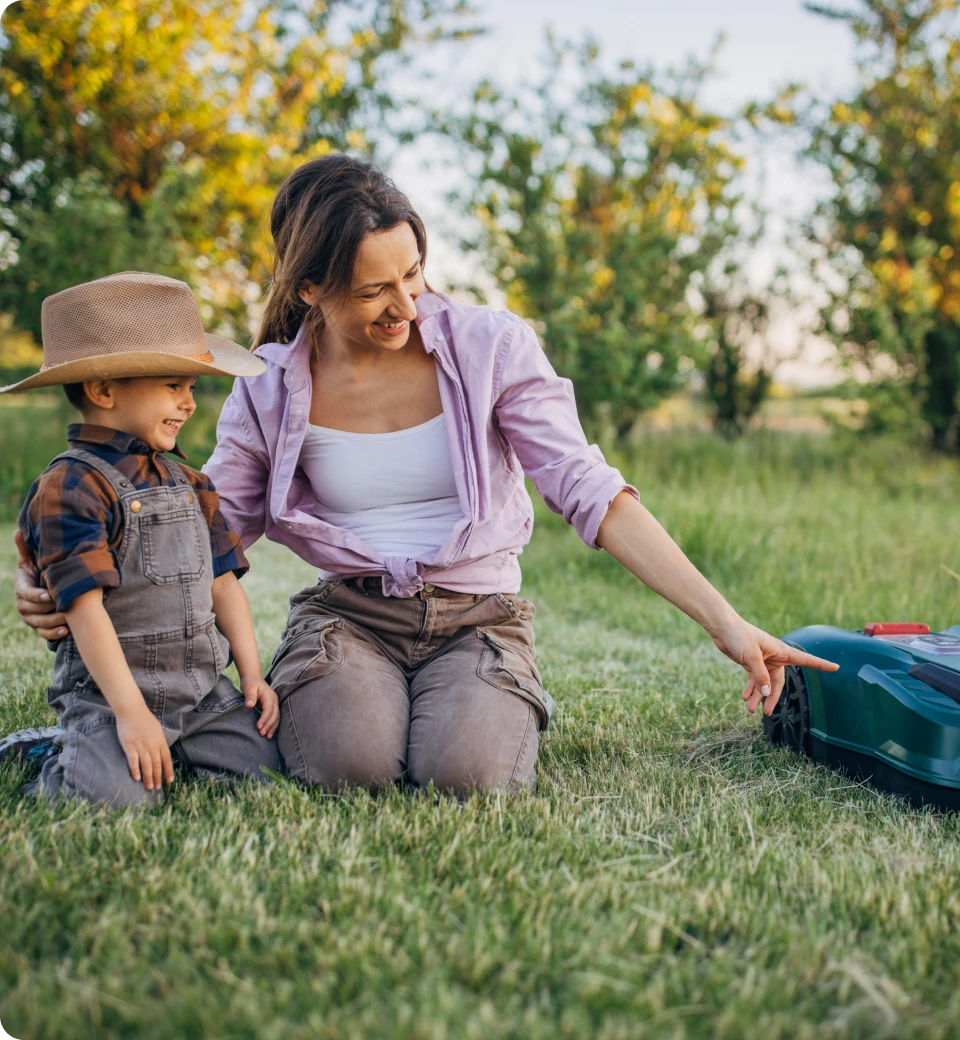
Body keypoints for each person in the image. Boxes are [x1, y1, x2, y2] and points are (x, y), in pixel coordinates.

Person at [14, 154, 837, 797]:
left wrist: (724, 623)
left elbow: (590, 490)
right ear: (309, 289)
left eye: (413, 274)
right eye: (375, 290)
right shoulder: (269, 380)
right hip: (349, 617)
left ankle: (478, 697)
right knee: (346, 766)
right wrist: (56, 580)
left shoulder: (491, 347)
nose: (407, 307)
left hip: (479, 618)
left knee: (469, 779)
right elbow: (202, 526)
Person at [3, 271, 283, 808]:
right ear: (103, 390)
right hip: (111, 699)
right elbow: (83, 610)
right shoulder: (70, 486)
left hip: (201, 693)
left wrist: (251, 675)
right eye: (172, 387)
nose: (189, 404)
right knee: (114, 801)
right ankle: (55, 754)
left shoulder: (191, 482)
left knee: (264, 771)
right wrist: (131, 713)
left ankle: (172, 748)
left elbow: (224, 586)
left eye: (191, 388)